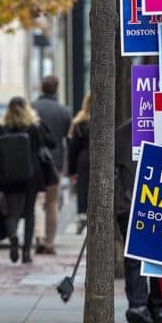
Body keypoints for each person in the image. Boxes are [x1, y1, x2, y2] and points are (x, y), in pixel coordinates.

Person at [115, 118, 162, 323]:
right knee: (156, 255)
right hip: (154, 203)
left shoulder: (122, 133)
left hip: (134, 204)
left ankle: (140, 304)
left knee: (136, 256)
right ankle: (152, 305)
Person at [0, 96, 53, 264]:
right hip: (30, 176)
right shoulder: (32, 127)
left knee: (12, 213)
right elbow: (46, 145)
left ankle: (13, 237)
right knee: (29, 212)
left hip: (9, 176)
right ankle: (26, 253)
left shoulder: (2, 129)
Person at [29, 75, 71, 255]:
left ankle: (38, 236)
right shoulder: (63, 111)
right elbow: (67, 138)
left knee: (37, 201)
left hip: (35, 161)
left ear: (41, 88)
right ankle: (49, 242)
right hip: (55, 162)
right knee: (52, 202)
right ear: (56, 89)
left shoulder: (32, 108)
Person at [67, 92, 92, 233]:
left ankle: (82, 218)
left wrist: (71, 171)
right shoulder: (107, 121)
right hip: (100, 159)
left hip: (83, 159)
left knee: (83, 190)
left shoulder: (79, 122)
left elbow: (73, 149)